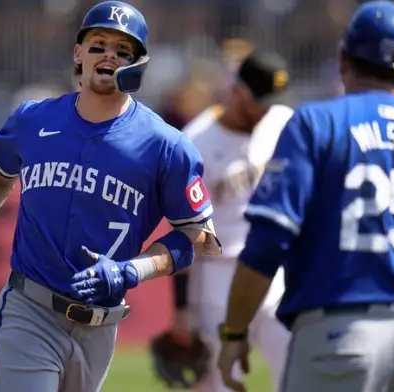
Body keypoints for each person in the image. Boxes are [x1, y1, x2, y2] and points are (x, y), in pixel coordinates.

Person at [0, 2, 221, 392]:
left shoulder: (166, 146)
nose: (108, 55)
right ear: (78, 54)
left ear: (138, 65)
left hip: (101, 325)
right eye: (97, 44)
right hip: (29, 311)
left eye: (123, 50)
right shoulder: (34, 119)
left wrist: (133, 270)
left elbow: (198, 236)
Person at [216, 2, 394, 392]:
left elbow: (266, 245)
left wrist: (233, 334)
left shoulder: (314, 125)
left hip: (337, 334)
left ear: (343, 58)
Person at [149, 50, 294, 391]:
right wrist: (181, 309)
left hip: (275, 274)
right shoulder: (196, 142)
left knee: (299, 371)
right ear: (239, 92)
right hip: (216, 281)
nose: (269, 108)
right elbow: (184, 229)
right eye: (262, 100)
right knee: (219, 385)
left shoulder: (282, 122)